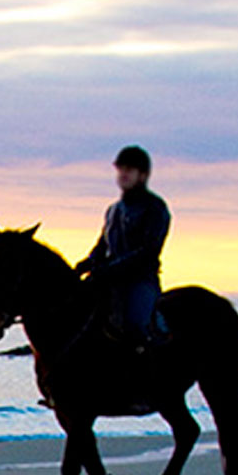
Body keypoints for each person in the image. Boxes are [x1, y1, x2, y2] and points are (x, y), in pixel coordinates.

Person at [76, 144, 171, 349]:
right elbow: (102, 246)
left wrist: (109, 269)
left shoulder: (155, 208)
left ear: (142, 175)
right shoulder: (113, 210)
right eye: (121, 169)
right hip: (110, 281)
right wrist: (84, 265)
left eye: (129, 170)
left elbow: (147, 252)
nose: (123, 174)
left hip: (140, 281)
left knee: (136, 325)